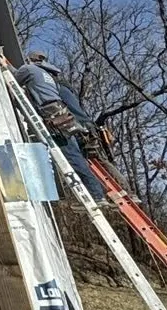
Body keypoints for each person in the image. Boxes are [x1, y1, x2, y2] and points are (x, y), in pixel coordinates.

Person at [11, 52, 108, 202]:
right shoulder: (48, 76)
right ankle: (98, 193)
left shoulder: (28, 69)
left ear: (29, 60)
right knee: (76, 155)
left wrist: (4, 64)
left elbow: (13, 79)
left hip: (52, 116)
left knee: (72, 158)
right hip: (63, 114)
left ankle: (97, 196)